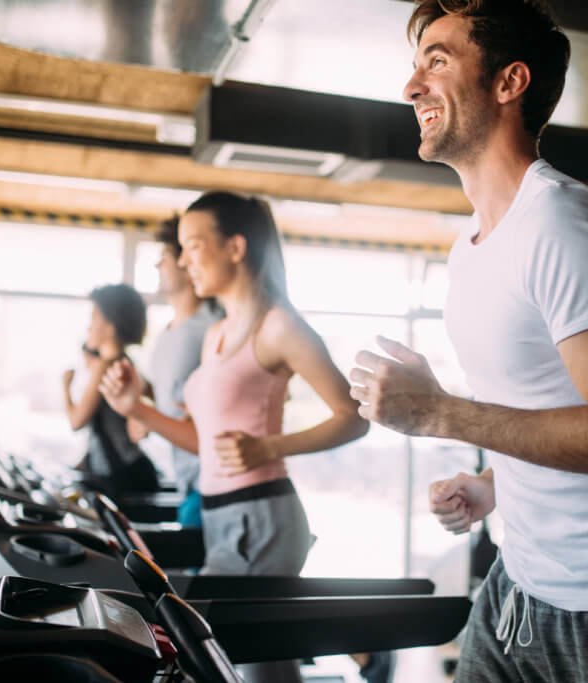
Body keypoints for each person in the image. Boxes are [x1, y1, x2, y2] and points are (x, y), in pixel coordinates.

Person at [349, 2, 588, 681]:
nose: (412, 87)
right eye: (415, 66)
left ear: (508, 82)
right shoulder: (469, 248)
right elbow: (549, 404)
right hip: (518, 584)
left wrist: (440, 412)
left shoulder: (564, 223)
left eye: (437, 60)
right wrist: (496, 484)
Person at [100, 191, 369, 683]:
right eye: (180, 249)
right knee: (245, 665)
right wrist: (134, 407)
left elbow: (353, 416)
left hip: (262, 518)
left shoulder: (279, 326)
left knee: (248, 666)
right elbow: (206, 443)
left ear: (236, 248)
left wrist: (270, 447)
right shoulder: (216, 334)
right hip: (223, 516)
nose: (184, 261)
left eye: (194, 246)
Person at [127, 215, 223, 528]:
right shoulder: (168, 332)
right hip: (187, 482)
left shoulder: (214, 326)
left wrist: (142, 412)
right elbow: (179, 397)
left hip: (214, 487)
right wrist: (141, 405)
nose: (158, 266)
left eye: (164, 258)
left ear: (186, 261)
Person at [63, 283, 160, 498]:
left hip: (119, 477)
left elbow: (76, 421)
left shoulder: (104, 366)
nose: (89, 327)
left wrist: (65, 387)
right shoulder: (127, 362)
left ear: (111, 326)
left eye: (94, 318)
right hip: (132, 469)